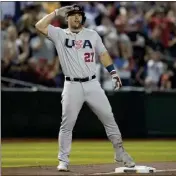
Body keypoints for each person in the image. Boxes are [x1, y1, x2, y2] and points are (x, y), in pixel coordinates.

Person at [35, 4, 135, 172]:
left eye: (79, 15)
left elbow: (103, 54)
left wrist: (113, 73)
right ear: (67, 18)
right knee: (67, 124)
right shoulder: (59, 34)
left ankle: (120, 153)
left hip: (92, 83)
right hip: (71, 84)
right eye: (73, 15)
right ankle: (63, 160)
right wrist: (55, 12)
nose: (76, 17)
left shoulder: (92, 34)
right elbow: (39, 26)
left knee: (109, 118)